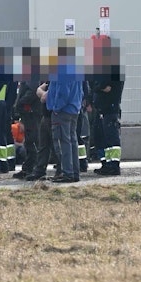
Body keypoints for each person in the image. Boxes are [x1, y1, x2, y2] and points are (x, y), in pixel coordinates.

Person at [47, 41, 83, 183]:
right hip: (74, 109)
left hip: (62, 111)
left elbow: (62, 92)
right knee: (72, 141)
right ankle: (74, 172)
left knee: (63, 142)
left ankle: (67, 173)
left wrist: (56, 108)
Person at [91, 38, 125, 177]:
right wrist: (98, 87)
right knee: (101, 137)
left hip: (110, 108)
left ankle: (114, 165)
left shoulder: (114, 68)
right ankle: (106, 163)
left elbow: (105, 87)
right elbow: (97, 85)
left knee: (111, 138)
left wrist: (98, 87)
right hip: (102, 107)